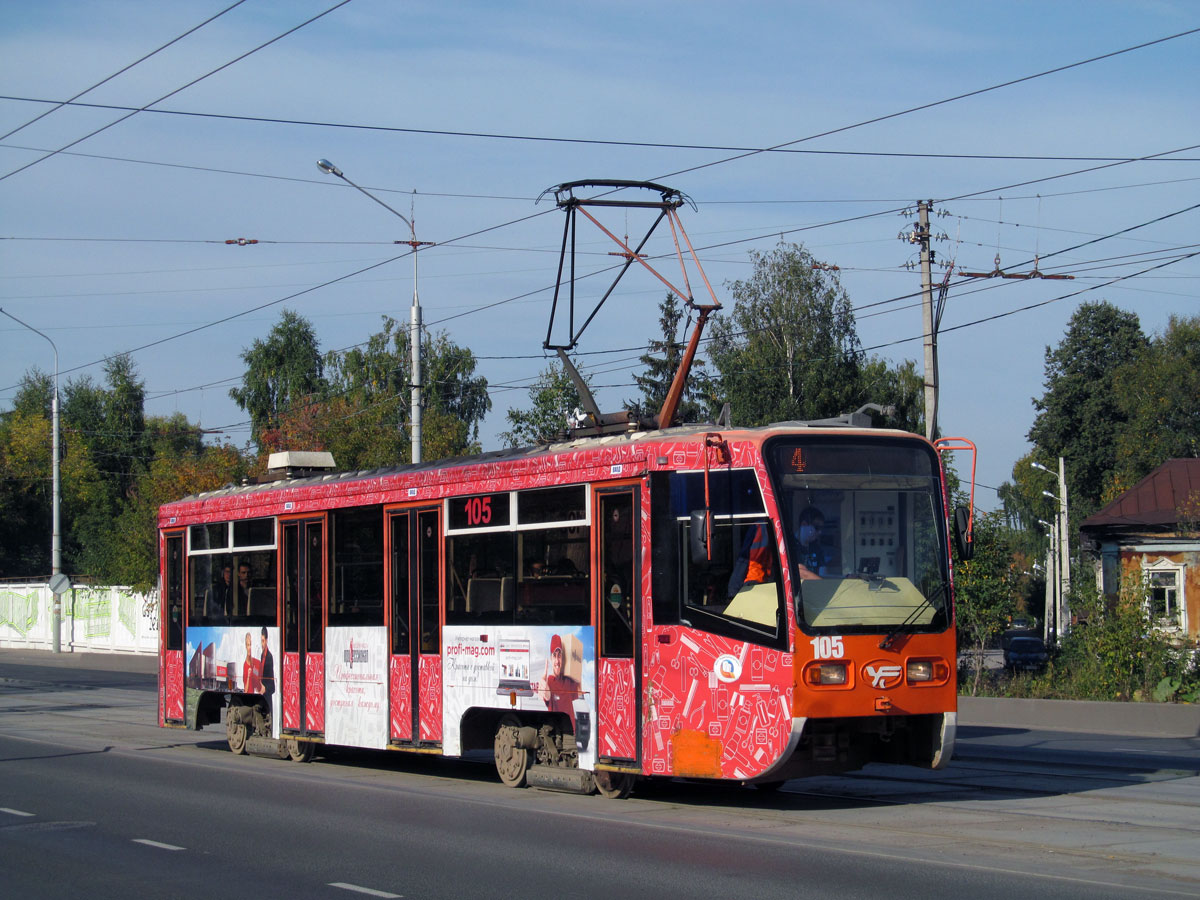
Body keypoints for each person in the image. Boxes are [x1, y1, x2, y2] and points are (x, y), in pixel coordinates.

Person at [538, 634, 581, 727]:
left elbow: (579, 692)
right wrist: (545, 692)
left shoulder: (570, 681)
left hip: (570, 733)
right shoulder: (549, 682)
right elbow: (547, 695)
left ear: (563, 658)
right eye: (554, 656)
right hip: (557, 734)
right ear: (551, 658)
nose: (557, 661)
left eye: (559, 656)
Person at [727, 522, 774, 598]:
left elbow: (744, 558)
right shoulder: (770, 525)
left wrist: (733, 590)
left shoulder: (759, 526)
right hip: (761, 580)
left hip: (755, 581)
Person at [794, 506, 833, 580]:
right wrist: (825, 585)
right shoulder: (790, 546)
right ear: (804, 524)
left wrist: (845, 577)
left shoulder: (816, 548)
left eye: (821, 528)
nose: (820, 532)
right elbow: (802, 573)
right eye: (817, 527)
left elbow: (823, 573)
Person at [259, 626, 276, 700]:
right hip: (262, 693)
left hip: (267, 694)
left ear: (266, 640)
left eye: (263, 641)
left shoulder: (269, 656)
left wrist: (265, 688)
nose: (262, 644)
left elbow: (271, 680)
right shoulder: (262, 655)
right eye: (261, 641)